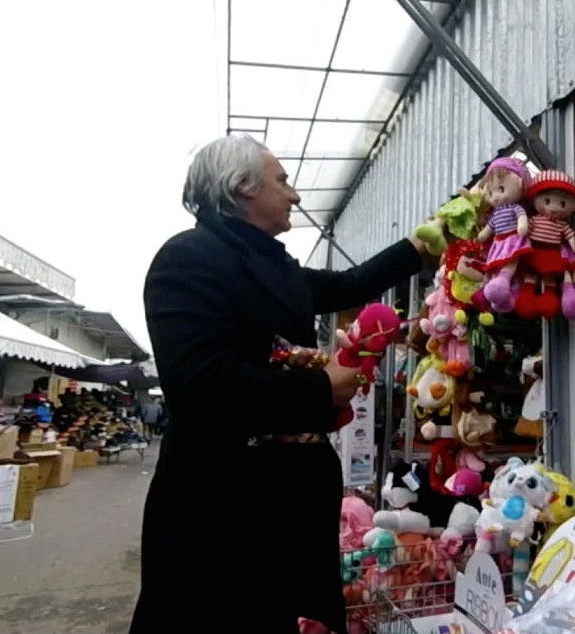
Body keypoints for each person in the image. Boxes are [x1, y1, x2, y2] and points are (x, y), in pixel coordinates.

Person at [130, 136, 428, 633]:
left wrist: (421, 244)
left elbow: (349, 286)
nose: (294, 196)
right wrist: (320, 389)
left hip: (293, 497)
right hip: (223, 506)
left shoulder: (273, 263)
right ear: (243, 186)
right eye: (282, 181)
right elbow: (198, 384)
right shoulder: (187, 258)